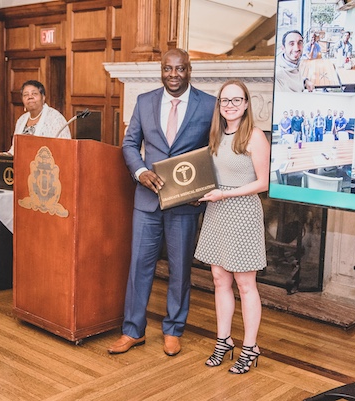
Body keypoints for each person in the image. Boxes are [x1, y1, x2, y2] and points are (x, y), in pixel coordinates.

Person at [108, 48, 216, 356]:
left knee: (180, 269)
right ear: (161, 70)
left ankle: (173, 329)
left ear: (189, 70)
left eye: (179, 69)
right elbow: (130, 144)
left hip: (185, 202)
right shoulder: (145, 102)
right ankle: (133, 330)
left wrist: (202, 189)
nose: (173, 75)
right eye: (168, 69)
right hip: (147, 200)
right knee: (139, 267)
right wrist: (140, 172)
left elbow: (215, 150)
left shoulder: (208, 105)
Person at [194, 79, 270, 374]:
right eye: (225, 100)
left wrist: (224, 193)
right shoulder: (216, 135)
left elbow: (262, 183)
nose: (230, 105)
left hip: (242, 211)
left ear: (247, 104)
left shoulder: (255, 136)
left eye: (236, 100)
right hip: (216, 211)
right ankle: (223, 340)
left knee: (245, 284)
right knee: (218, 279)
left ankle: (250, 347)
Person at [0, 80, 71, 163]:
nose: (30, 97)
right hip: (23, 168)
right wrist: (1, 157)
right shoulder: (21, 120)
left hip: (47, 170)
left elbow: (65, 150)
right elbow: (15, 151)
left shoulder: (55, 119)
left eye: (34, 94)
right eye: (26, 95)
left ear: (43, 97)